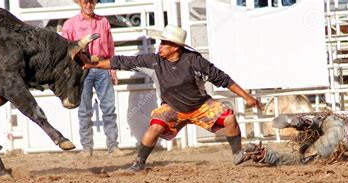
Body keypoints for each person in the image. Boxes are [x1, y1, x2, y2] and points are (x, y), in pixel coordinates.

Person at [81, 24, 263, 172]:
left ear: (175, 47)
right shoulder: (154, 61)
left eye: (164, 44)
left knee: (229, 118)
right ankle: (139, 163)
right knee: (154, 127)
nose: (160, 47)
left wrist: (247, 97)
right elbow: (121, 62)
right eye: (161, 43)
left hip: (201, 106)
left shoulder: (195, 61)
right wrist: (92, 64)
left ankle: (238, 154)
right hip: (172, 107)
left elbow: (222, 78)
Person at [62, 0, 123, 157]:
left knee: (108, 108)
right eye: (86, 1)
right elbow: (66, 50)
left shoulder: (103, 22)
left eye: (92, 2)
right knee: (84, 110)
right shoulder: (70, 24)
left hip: (102, 65)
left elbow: (110, 47)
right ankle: (87, 148)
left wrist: (113, 69)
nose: (89, 5)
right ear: (80, 3)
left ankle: (113, 146)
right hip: (82, 69)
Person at [242, 113, 348, 166]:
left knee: (320, 123)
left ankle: (305, 122)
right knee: (306, 161)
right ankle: (266, 155)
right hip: (345, 137)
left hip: (347, 122)